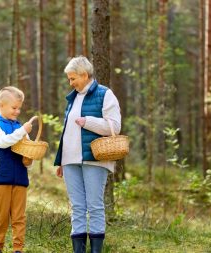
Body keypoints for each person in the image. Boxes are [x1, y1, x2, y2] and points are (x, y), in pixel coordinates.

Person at [54, 56, 121, 253]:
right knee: (77, 207)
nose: (70, 82)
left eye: (73, 78)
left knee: (94, 206)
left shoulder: (105, 94)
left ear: (84, 75)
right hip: (70, 160)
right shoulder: (73, 97)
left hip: (95, 159)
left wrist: (88, 121)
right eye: (69, 79)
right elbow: (68, 131)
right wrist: (61, 161)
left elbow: (115, 127)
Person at [0, 86, 36, 253]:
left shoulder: (21, 127)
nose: (17, 111)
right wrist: (23, 131)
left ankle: (18, 248)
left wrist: (29, 161)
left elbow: (28, 155)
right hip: (1, 177)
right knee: (1, 215)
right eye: (14, 108)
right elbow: (3, 142)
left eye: (19, 108)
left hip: (20, 178)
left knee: (19, 216)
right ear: (2, 105)